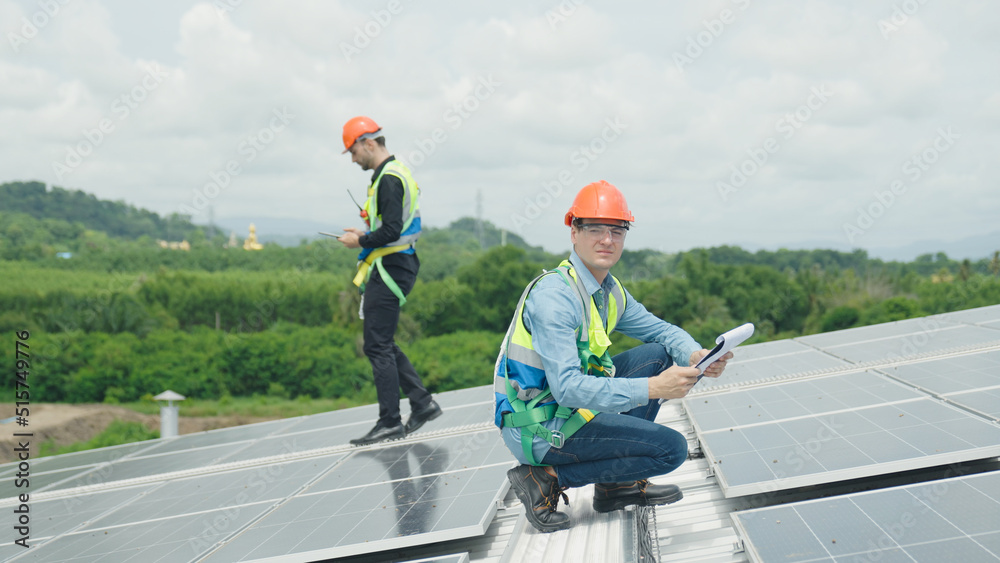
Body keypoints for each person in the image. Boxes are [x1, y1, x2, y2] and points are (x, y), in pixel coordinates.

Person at [494, 180, 733, 533]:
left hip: (566, 408)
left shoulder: (607, 290)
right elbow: (568, 389)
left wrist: (695, 354)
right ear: (573, 231)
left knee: (657, 353)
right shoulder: (555, 298)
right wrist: (653, 388)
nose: (607, 239)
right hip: (541, 427)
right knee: (670, 450)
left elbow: (662, 332)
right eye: (594, 228)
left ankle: (616, 485)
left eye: (617, 230)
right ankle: (546, 476)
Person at [338, 116, 441, 446]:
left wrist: (361, 241)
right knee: (381, 340)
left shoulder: (388, 179)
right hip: (396, 263)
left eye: (353, 151)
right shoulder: (392, 174)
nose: (353, 159)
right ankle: (422, 403)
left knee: (376, 344)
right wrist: (366, 233)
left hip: (391, 265)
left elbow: (392, 230)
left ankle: (390, 422)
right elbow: (391, 225)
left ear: (369, 143)